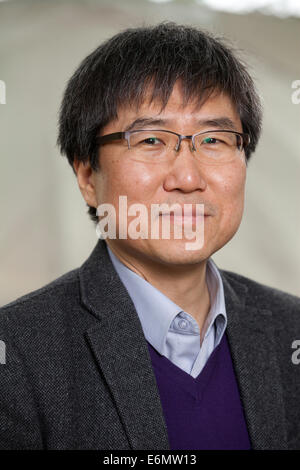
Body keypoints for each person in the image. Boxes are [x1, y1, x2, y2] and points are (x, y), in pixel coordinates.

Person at [0, 22, 299, 451]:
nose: (188, 176)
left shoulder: (290, 331)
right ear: (87, 175)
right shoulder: (18, 355)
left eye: (214, 139)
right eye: (152, 139)